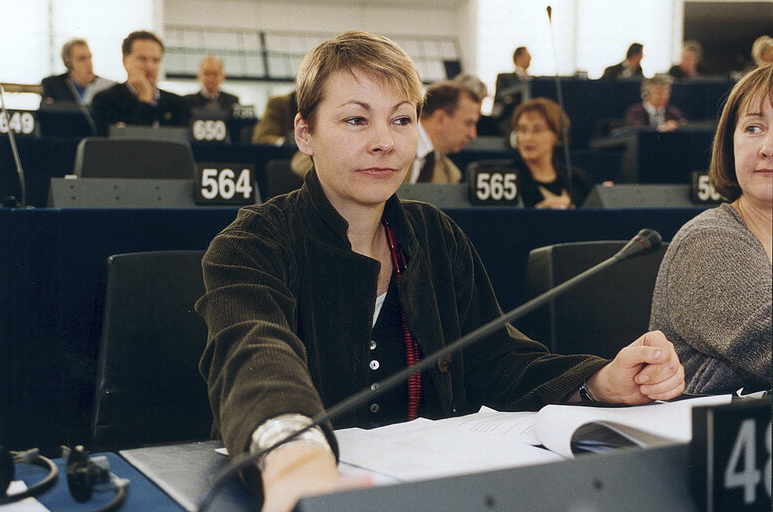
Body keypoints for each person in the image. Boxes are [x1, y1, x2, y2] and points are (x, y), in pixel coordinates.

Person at [196, 31, 684, 512]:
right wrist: (295, 461)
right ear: (305, 133)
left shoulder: (435, 235)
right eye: (355, 120)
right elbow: (254, 355)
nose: (384, 142)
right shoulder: (252, 242)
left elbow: (496, 361)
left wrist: (598, 382)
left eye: (401, 119)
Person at [649, 64, 772, 395]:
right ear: (729, 142)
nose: (768, 147)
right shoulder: (708, 240)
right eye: (754, 128)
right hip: (710, 444)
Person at [92, 30, 190, 136]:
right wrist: (145, 100)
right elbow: (132, 142)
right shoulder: (106, 101)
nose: (150, 67)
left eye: (156, 60)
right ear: (125, 61)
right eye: (142, 59)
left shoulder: (178, 104)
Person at [510, 97, 593, 208]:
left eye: (537, 130)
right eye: (522, 130)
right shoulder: (508, 179)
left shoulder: (578, 180)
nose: (528, 138)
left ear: (557, 136)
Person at [405, 80, 481, 183]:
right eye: (469, 123)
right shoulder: (391, 148)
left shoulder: (451, 175)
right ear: (440, 119)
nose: (473, 135)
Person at [40, 39, 115, 105]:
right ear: (68, 63)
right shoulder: (53, 84)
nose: (89, 63)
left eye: (89, 57)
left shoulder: (107, 87)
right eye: (82, 58)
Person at [492, 47, 531, 135]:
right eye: (527, 55)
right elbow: (500, 96)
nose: (530, 58)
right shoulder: (504, 78)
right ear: (518, 57)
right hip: (509, 121)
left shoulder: (533, 81)